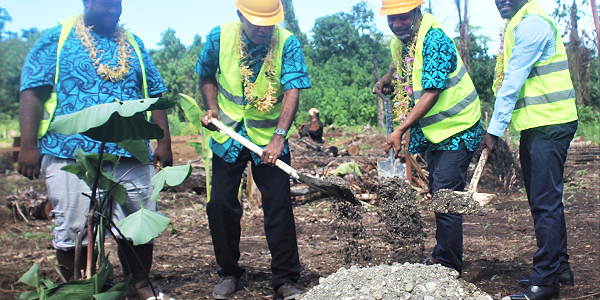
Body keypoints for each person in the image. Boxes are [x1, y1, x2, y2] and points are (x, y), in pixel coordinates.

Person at [17, 0, 174, 299]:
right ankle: (85, 287)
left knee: (139, 220)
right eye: (104, 4)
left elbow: (155, 92)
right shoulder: (57, 37)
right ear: (86, 2)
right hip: (71, 150)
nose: (112, 10)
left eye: (117, 4)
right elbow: (33, 90)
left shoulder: (134, 42)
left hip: (131, 152)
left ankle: (139, 285)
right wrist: (27, 146)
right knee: (76, 226)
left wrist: (163, 142)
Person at [195, 0, 311, 299]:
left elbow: (292, 88)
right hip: (228, 134)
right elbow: (206, 74)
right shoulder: (219, 37)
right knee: (220, 204)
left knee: (278, 205)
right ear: (240, 16)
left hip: (270, 136)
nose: (263, 29)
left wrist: (280, 136)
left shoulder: (287, 42)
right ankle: (229, 272)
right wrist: (211, 108)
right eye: (256, 22)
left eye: (269, 22)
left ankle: (285, 278)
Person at [374, 0, 482, 276]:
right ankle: (443, 253)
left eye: (402, 18)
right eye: (391, 20)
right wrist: (388, 77)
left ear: (417, 12)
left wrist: (400, 129)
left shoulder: (435, 40)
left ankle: (449, 265)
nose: (396, 25)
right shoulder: (403, 40)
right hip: (435, 131)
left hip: (458, 127)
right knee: (438, 192)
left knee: (445, 196)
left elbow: (432, 93)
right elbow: (402, 64)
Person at [484, 0, 578, 299]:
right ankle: (559, 267)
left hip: (549, 124)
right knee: (546, 199)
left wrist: (494, 129)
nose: (502, 0)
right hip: (540, 124)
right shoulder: (521, 21)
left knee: (544, 202)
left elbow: (513, 79)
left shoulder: (532, 24)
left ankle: (546, 282)